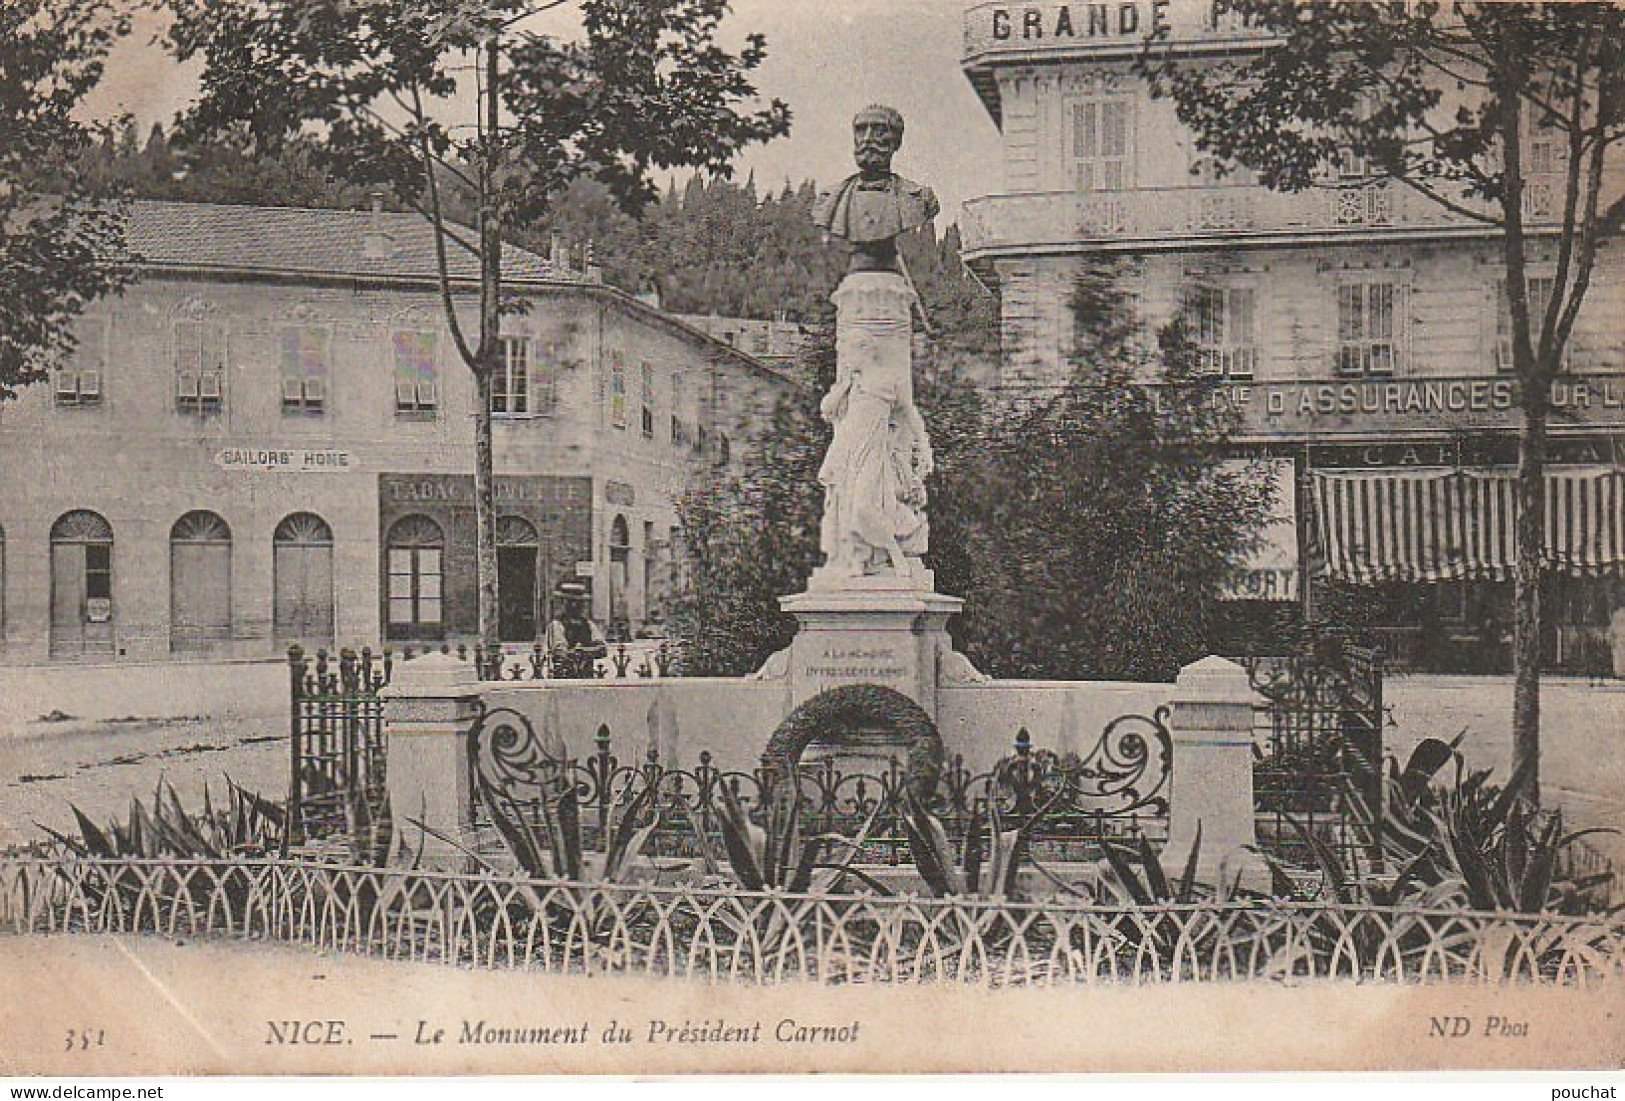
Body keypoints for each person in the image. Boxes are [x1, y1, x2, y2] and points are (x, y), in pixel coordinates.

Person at [812, 104, 940, 275]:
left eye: (878, 130)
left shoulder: (918, 198)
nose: (866, 139)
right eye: (860, 130)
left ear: (896, 142)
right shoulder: (829, 199)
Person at [544, 582, 607, 678]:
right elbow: (560, 650)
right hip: (564, 674)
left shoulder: (588, 624)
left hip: (586, 674)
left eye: (578, 602)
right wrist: (584, 652)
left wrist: (583, 651)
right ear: (563, 603)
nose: (575, 605)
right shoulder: (557, 625)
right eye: (570, 602)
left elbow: (602, 649)